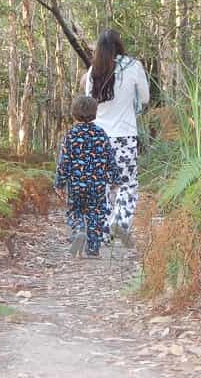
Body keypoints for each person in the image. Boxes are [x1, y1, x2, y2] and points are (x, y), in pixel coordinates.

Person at [83, 29, 149, 247]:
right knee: (127, 185)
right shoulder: (133, 66)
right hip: (124, 136)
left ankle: (103, 229)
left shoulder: (94, 71)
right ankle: (119, 224)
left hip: (97, 137)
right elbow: (146, 98)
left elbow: (87, 104)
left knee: (102, 185)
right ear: (119, 45)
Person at [55, 95, 120, 258]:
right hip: (97, 185)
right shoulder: (101, 134)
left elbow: (64, 162)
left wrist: (59, 183)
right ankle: (93, 248)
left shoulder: (71, 135)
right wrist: (114, 180)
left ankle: (78, 231)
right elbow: (110, 158)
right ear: (95, 113)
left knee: (75, 211)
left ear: (74, 113)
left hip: (76, 184)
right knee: (96, 214)